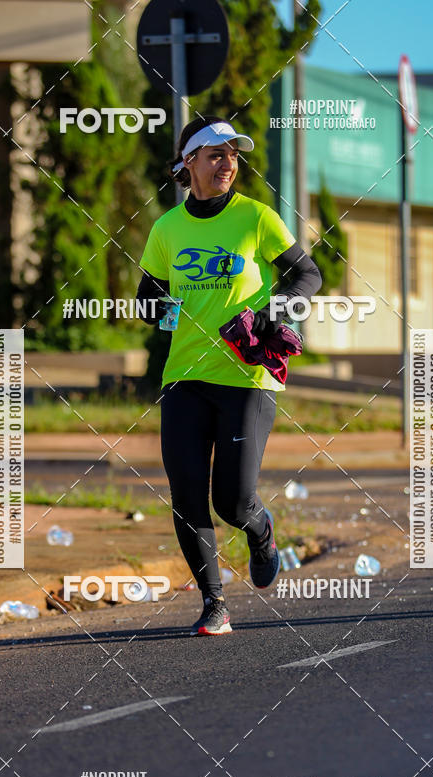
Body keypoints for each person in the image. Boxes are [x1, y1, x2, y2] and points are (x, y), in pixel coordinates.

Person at [137, 117, 322, 636]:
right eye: (215, 155)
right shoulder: (167, 229)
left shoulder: (256, 218)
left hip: (247, 377)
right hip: (184, 377)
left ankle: (261, 533)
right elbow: (147, 300)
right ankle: (213, 603)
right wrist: (170, 315)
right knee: (187, 495)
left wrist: (271, 315)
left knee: (232, 500)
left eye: (233, 156)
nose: (227, 164)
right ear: (188, 163)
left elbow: (308, 274)